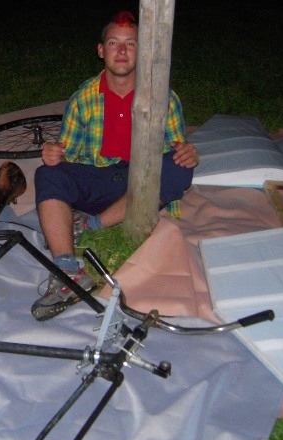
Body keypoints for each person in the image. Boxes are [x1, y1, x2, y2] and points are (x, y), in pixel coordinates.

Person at [31, 11, 199, 321]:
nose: (121, 51)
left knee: (178, 168)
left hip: (142, 182)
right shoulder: (84, 98)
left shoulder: (164, 98)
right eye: (113, 43)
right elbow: (67, 153)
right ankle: (68, 273)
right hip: (100, 178)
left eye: (130, 44)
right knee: (47, 174)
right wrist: (54, 154)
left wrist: (188, 154)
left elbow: (178, 148)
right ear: (101, 50)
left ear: (142, 51)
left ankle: (90, 226)